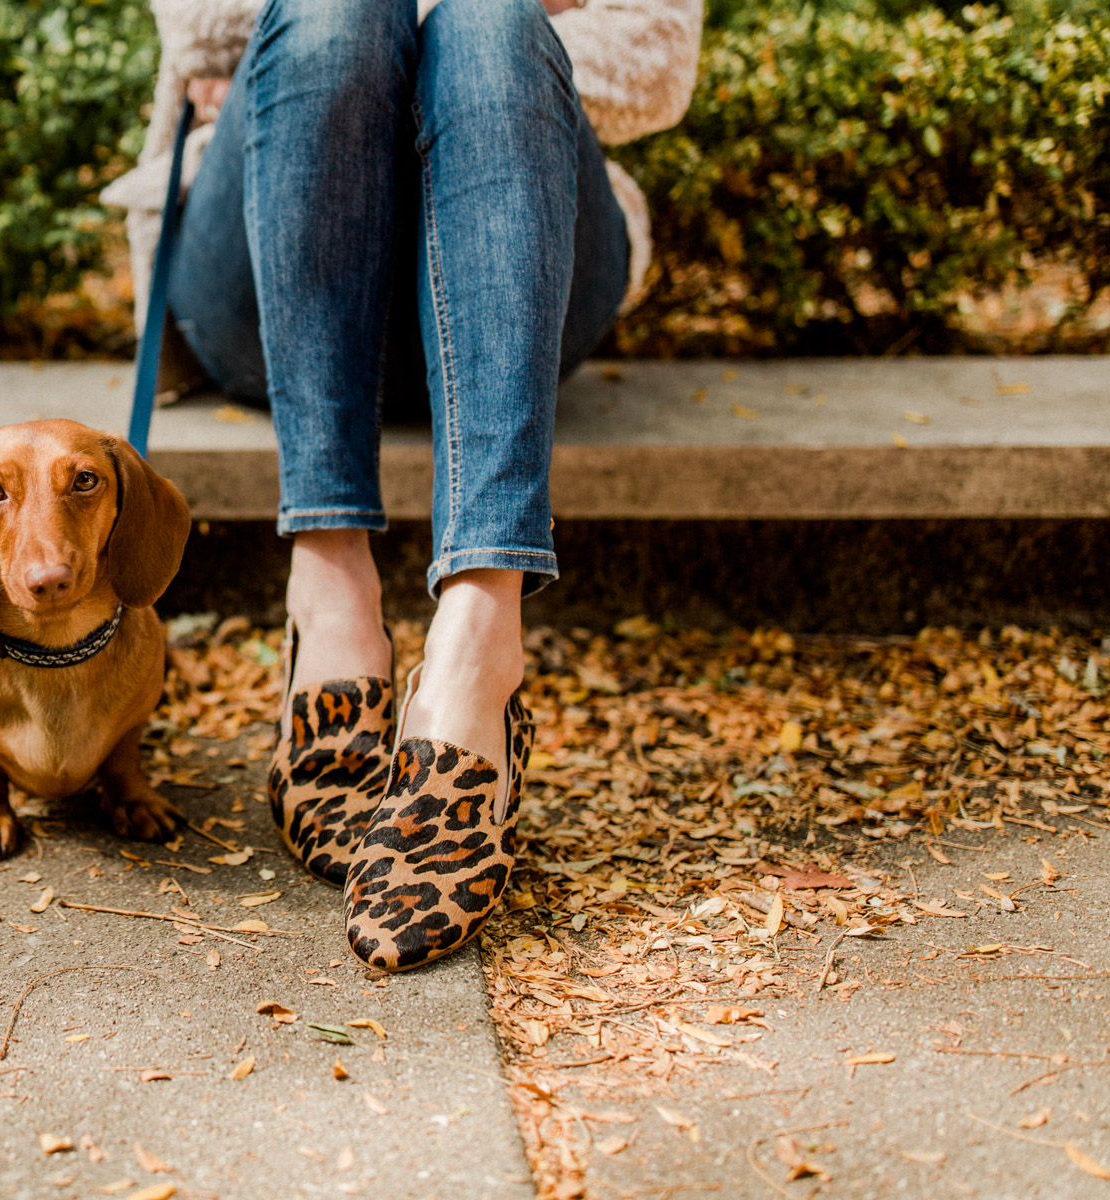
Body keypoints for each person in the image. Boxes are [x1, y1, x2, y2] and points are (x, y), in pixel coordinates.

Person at [103, 0, 702, 971]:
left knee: (490, 28)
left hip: (518, 244)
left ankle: (480, 634)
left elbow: (656, 57)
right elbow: (205, 34)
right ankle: (330, 586)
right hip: (272, 256)